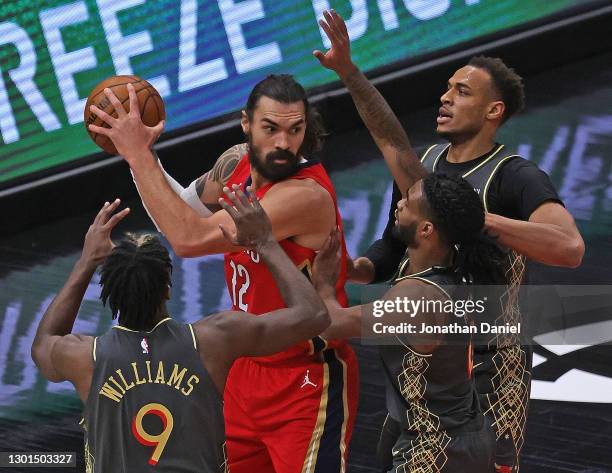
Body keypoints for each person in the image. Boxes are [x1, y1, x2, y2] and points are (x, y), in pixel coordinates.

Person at [314, 10, 585, 472]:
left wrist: (478, 220)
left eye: (462, 91)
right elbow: (391, 230)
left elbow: (570, 247)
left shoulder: (514, 176)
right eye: (447, 87)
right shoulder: (431, 160)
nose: (445, 97)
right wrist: (349, 73)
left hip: (488, 368)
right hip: (425, 354)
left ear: (493, 111)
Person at [87, 75, 358, 473]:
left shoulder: (302, 195)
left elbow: (187, 239)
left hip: (304, 379)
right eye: (270, 128)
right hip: (244, 366)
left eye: (294, 129)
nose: (283, 142)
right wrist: (143, 154)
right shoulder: (235, 162)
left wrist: (137, 156)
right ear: (246, 123)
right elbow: (180, 211)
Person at [31, 188, 331, 473]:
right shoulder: (215, 338)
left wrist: (86, 261)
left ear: (108, 291)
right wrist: (265, 240)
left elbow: (43, 343)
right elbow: (314, 316)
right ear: (168, 288)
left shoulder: (83, 356)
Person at [312, 173, 507, 472]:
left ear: (427, 229)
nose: (399, 203)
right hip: (457, 430)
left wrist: (324, 282)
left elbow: (330, 323)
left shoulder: (419, 298)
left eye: (408, 202)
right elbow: (401, 154)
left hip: (437, 447)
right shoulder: (446, 262)